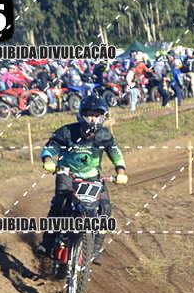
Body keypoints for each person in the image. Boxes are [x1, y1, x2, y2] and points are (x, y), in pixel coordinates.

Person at [36, 94, 128, 263]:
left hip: (92, 177)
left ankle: (94, 250)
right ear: (81, 115)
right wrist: (48, 160)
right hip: (67, 174)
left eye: (96, 115)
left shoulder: (104, 136)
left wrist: (120, 171)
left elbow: (115, 152)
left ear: (102, 116)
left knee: (105, 209)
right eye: (89, 114)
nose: (93, 119)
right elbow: (50, 147)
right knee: (59, 203)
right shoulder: (67, 132)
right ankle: (47, 244)